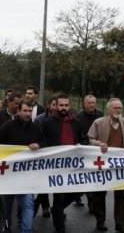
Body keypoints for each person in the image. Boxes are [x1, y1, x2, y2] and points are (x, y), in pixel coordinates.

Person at [40, 94, 87, 233]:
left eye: (66, 105)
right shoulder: (47, 123)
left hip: (74, 167)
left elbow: (84, 140)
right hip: (56, 168)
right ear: (56, 105)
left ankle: (56, 210)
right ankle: (59, 227)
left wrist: (81, 144)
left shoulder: (77, 123)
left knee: (78, 191)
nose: (63, 108)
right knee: (59, 197)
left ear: (69, 106)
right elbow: (42, 140)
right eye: (61, 105)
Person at [0, 100, 45, 233]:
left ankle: (26, 230)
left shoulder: (36, 128)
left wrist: (39, 145)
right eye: (25, 111)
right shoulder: (6, 127)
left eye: (30, 111)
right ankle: (7, 225)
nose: (28, 114)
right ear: (18, 111)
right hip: (8, 174)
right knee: (7, 204)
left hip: (26, 175)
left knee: (28, 203)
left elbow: (44, 143)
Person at [88, 98, 124, 233]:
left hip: (119, 165)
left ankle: (120, 223)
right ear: (109, 109)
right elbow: (90, 139)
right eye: (116, 108)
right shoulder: (98, 122)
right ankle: (100, 221)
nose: (119, 110)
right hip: (103, 164)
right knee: (100, 194)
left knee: (120, 195)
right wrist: (99, 144)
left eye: (120, 108)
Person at [75, 94, 103, 211]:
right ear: (84, 104)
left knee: (93, 178)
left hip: (96, 150)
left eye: (93, 103)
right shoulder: (78, 117)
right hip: (84, 149)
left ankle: (92, 204)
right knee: (84, 176)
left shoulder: (100, 115)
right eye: (89, 103)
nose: (92, 105)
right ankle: (78, 195)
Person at [33, 94, 58, 218]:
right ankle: (44, 206)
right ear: (48, 105)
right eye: (54, 104)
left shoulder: (62, 119)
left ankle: (58, 209)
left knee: (57, 183)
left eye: (57, 105)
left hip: (58, 157)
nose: (56, 107)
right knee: (44, 183)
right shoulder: (39, 120)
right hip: (43, 156)